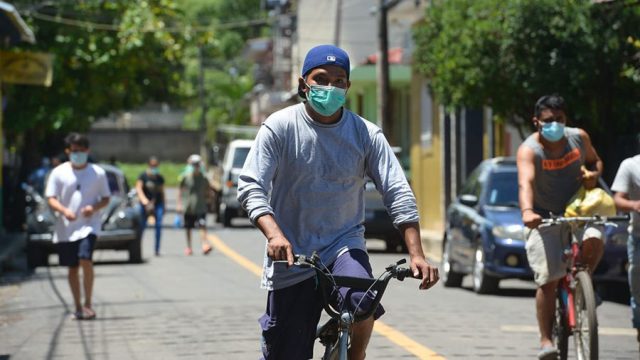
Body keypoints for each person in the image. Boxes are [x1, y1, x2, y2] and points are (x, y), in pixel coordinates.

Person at [237, 44, 439, 360]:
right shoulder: (280, 126)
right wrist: (274, 235)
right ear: (304, 84)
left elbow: (397, 191)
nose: (330, 87)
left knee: (363, 300)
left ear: (347, 86)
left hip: (343, 245)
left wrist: (417, 254)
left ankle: (355, 355)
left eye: (339, 80)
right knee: (285, 351)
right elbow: (251, 187)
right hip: (294, 255)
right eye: (321, 79)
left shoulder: (366, 134)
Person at [517, 94, 604, 360]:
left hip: (579, 209)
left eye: (559, 119)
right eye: (548, 121)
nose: (555, 124)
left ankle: (583, 287)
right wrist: (528, 211)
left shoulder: (579, 137)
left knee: (596, 238)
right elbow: (526, 183)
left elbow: (595, 161)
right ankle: (546, 341)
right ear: (536, 122)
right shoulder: (530, 150)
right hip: (543, 216)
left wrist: (594, 174)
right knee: (548, 279)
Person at [45, 132, 111, 320]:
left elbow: (106, 198)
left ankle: (88, 303)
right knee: (72, 267)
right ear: (68, 151)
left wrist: (94, 207)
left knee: (85, 258)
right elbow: (51, 198)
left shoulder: (98, 173)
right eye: (74, 151)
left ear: (87, 151)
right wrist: (64, 211)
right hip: (66, 228)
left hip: (89, 225)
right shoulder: (58, 173)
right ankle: (78, 306)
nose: (78, 154)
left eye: (81, 151)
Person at [611, 135, 640, 349]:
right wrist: (635, 205)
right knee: (637, 289)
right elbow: (617, 199)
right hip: (638, 237)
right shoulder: (630, 165)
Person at [177, 154, 213, 256]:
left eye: (197, 164)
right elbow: (180, 190)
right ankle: (189, 247)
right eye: (194, 164)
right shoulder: (185, 177)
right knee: (188, 227)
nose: (196, 166)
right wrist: (179, 204)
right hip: (188, 207)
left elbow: (208, 190)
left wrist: (209, 201)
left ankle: (204, 244)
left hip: (201, 206)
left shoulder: (204, 178)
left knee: (202, 225)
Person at [136, 156, 166, 256]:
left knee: (158, 225)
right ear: (148, 165)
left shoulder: (159, 178)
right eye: (152, 165)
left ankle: (157, 249)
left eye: (156, 165)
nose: (154, 167)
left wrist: (164, 205)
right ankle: (137, 248)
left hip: (157, 204)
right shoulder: (143, 176)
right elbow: (139, 189)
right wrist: (144, 200)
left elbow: (162, 192)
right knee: (141, 226)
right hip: (144, 205)